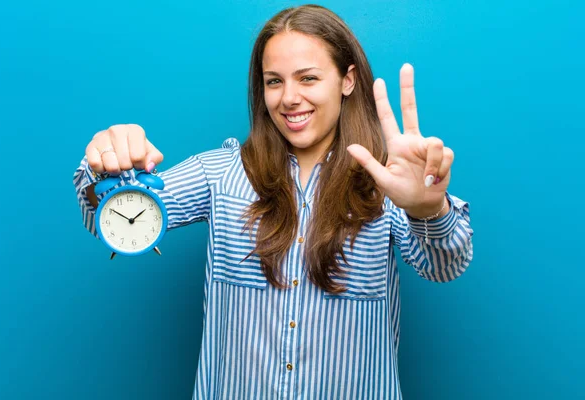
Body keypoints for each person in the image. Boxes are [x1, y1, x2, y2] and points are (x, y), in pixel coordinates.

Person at [73, 4, 473, 399]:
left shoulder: (389, 180)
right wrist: (106, 170)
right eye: (274, 81)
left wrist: (426, 209)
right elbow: (113, 215)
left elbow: (445, 265)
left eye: (308, 78)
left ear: (347, 80)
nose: (289, 98)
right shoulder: (220, 173)